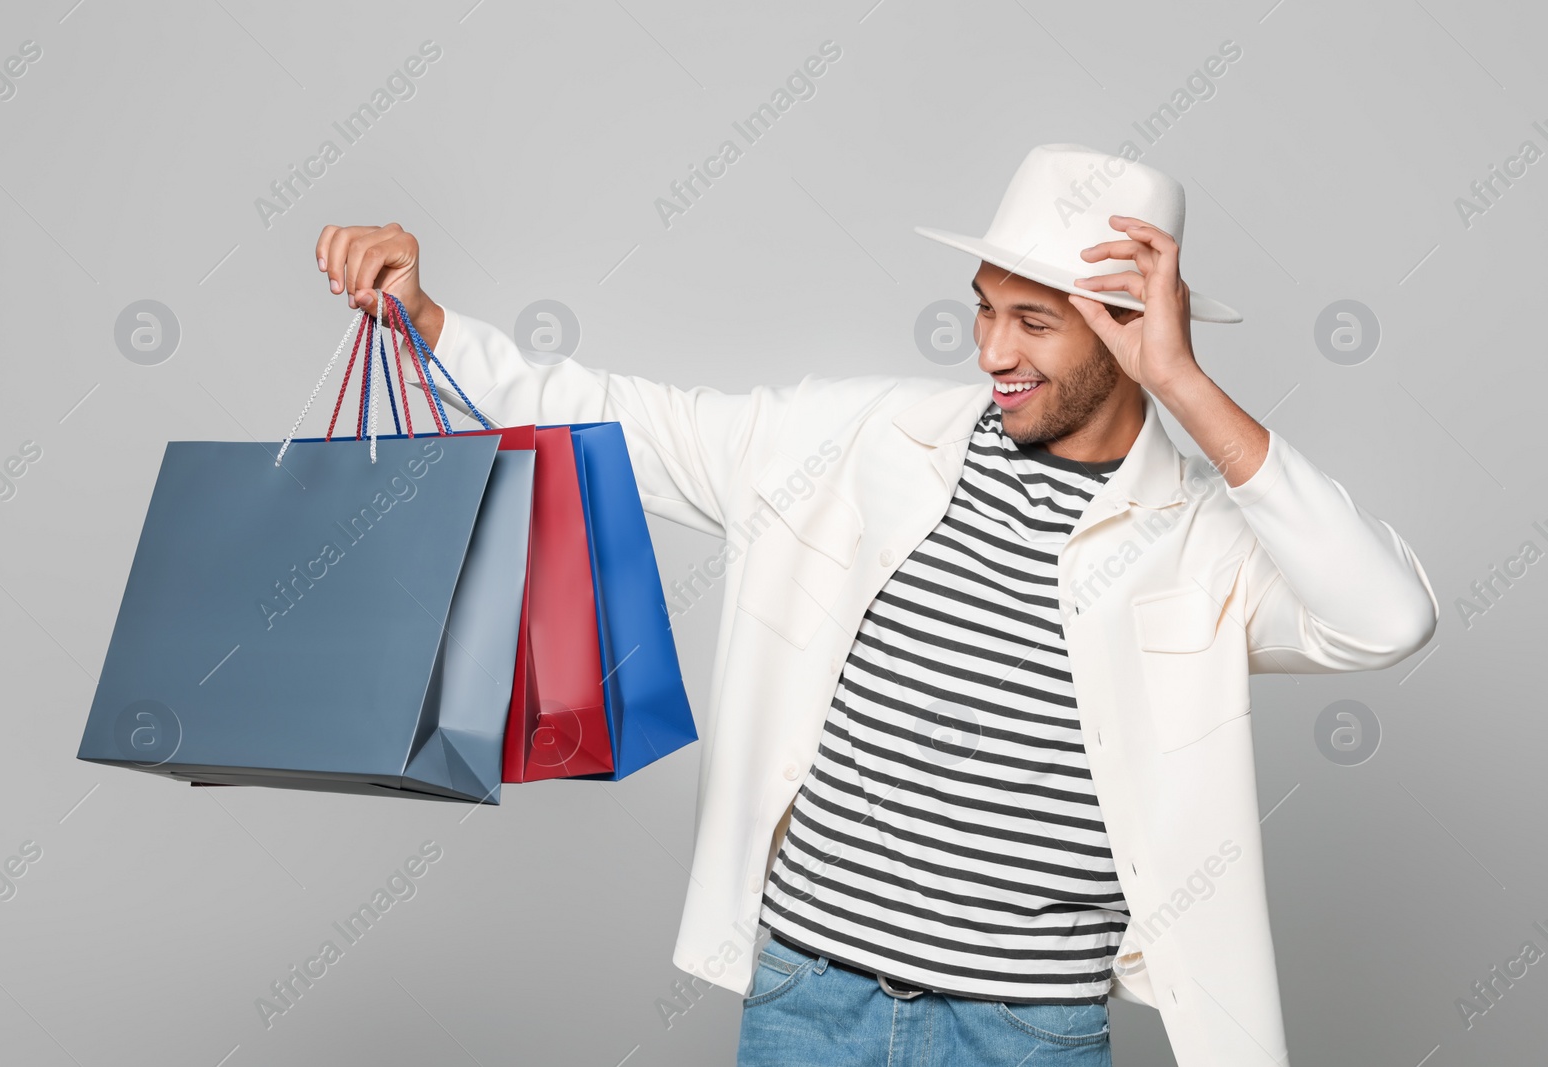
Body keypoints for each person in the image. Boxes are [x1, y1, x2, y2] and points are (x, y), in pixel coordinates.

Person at [314, 144, 1437, 1067]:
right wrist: (433, 322)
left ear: (1128, 329)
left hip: (1025, 1032)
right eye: (984, 309)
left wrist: (1185, 383)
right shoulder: (860, 441)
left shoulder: (1200, 542)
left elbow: (1384, 616)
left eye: (1035, 323)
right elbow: (618, 420)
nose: (993, 350)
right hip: (812, 998)